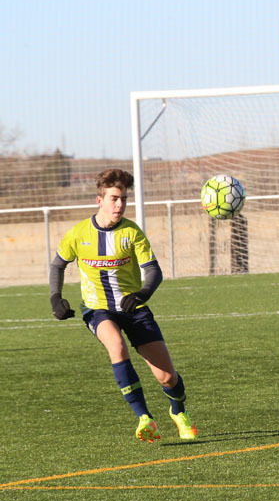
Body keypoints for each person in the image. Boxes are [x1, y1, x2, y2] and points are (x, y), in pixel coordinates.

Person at [49, 169, 197, 443]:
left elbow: (154, 271)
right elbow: (58, 265)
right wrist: (55, 297)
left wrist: (142, 294)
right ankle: (144, 418)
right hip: (98, 309)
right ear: (99, 200)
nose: (120, 205)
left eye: (124, 199)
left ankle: (178, 411)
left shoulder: (131, 232)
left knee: (167, 378)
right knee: (116, 346)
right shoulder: (78, 233)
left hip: (134, 309)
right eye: (114, 199)